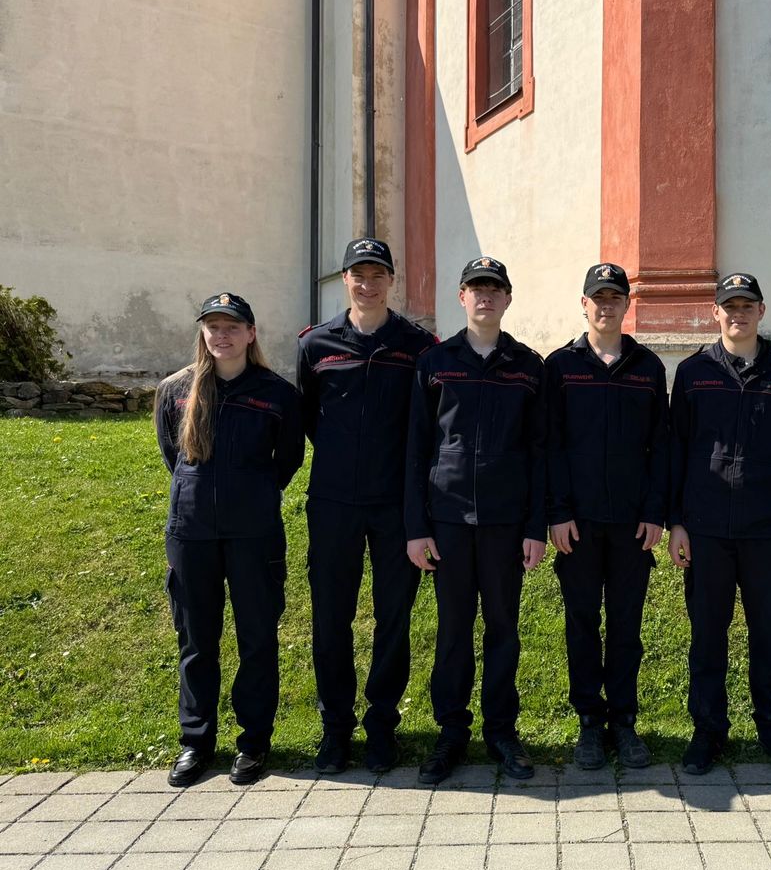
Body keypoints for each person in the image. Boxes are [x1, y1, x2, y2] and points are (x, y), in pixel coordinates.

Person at [668, 272, 771, 775]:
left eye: (747, 305)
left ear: (761, 311)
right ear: (715, 312)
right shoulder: (693, 373)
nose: (738, 313)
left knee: (770, 636)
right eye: (729, 306)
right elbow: (677, 454)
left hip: (768, 529)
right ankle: (708, 733)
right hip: (707, 529)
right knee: (707, 636)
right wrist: (677, 523)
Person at [296, 238, 437, 774]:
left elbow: (425, 424)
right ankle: (335, 729)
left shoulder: (418, 346)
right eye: (358, 274)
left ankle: (381, 726)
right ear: (345, 280)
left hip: (395, 504)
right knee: (331, 617)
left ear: (391, 281)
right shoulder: (316, 344)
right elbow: (310, 418)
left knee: (392, 618)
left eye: (377, 274)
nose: (368, 283)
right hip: (332, 503)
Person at [405, 256, 547, 784]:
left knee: (504, 630)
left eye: (495, 289)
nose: (485, 297)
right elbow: (416, 451)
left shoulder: (528, 367)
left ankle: (502, 732)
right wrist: (415, 527)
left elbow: (539, 453)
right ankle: (450, 732)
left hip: (507, 523)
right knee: (453, 631)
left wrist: (536, 526)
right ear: (461, 297)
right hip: (446, 521)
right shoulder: (435, 363)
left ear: (508, 299)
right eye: (475, 288)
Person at [155, 292, 304, 787]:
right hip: (192, 532)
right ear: (203, 333)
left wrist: (253, 497)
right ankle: (196, 743)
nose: (222, 335)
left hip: (254, 534)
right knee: (197, 641)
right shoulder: (175, 390)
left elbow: (287, 461)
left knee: (257, 638)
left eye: (232, 326)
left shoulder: (278, 394)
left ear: (251, 333)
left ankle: (254, 742)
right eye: (213, 326)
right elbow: (173, 457)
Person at [545, 263, 669, 770]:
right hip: (577, 523)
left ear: (626, 305)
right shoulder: (560, 366)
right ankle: (589, 724)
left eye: (615, 296)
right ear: (584, 303)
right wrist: (556, 512)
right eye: (598, 296)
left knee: (625, 625)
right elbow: (549, 445)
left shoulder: (648, 366)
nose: (606, 305)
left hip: (631, 524)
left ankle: (624, 720)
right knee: (581, 624)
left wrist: (656, 511)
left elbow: (661, 446)